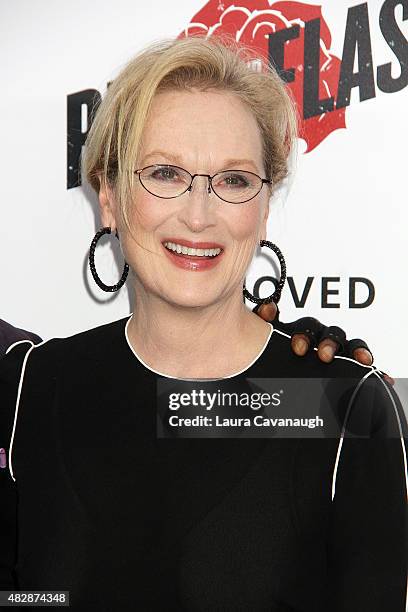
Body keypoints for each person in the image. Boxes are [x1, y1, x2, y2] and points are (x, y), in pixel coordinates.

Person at [0, 35, 406, 611]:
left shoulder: (342, 406)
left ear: (263, 209)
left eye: (234, 180)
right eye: (165, 173)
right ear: (109, 196)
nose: (198, 214)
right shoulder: (29, 388)